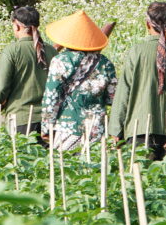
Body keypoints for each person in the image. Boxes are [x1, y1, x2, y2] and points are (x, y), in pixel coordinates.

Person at [109, 2, 166, 160]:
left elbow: (124, 92)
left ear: (148, 24)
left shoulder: (137, 51)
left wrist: (115, 130)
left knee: (140, 181)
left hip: (140, 127)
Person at [41, 10, 117, 151]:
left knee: (66, 169)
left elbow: (51, 96)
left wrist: (46, 126)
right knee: (93, 168)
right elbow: (112, 98)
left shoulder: (60, 60)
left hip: (67, 126)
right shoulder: (105, 63)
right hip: (96, 127)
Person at [0, 6, 58, 135]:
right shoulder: (51, 51)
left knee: (22, 155)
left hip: (21, 117)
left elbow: (1, 84)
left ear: (17, 26)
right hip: (49, 118)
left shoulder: (13, 50)